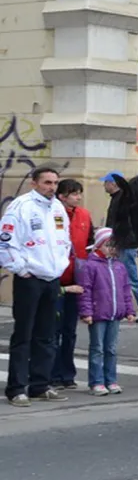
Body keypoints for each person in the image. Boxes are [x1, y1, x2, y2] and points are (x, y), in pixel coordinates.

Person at [1, 167, 72, 406]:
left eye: (55, 183)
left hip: (51, 279)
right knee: (24, 335)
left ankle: (40, 384)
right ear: (34, 183)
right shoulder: (20, 207)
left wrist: (60, 267)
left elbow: (65, 240)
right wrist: (22, 269)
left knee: (47, 334)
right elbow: (6, 243)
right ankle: (17, 388)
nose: (52, 187)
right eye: (47, 182)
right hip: (30, 280)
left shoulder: (57, 207)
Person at [76, 227, 135, 395]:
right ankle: (96, 381)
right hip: (98, 313)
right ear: (99, 245)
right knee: (97, 348)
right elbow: (85, 290)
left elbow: (125, 290)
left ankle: (111, 380)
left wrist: (129, 310)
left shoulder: (119, 267)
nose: (112, 248)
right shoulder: (91, 266)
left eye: (114, 245)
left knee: (111, 349)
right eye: (108, 244)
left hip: (114, 313)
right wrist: (86, 312)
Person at [51, 178, 93, 390]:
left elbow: (90, 243)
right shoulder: (54, 213)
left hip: (77, 278)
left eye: (79, 193)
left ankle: (67, 373)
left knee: (70, 330)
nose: (78, 197)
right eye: (74, 193)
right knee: (53, 330)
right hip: (56, 277)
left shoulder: (84, 215)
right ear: (62, 196)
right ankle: (53, 373)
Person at [102, 171, 138, 322]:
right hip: (124, 243)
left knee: (131, 278)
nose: (104, 185)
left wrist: (116, 242)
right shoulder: (119, 198)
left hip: (125, 244)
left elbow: (124, 225)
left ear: (113, 184)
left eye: (105, 182)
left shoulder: (122, 200)